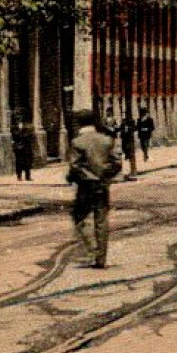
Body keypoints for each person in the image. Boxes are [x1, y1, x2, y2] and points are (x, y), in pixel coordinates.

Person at [67, 110, 123, 268]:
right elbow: (117, 163)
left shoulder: (77, 142)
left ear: (79, 124)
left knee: (79, 217)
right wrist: (105, 177)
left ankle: (92, 250)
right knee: (101, 220)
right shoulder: (106, 140)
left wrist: (86, 177)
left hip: (85, 187)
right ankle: (101, 258)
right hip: (102, 186)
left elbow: (75, 166)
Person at [118, 113, 139, 180]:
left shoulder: (131, 122)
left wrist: (129, 129)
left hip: (130, 141)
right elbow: (120, 131)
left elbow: (135, 128)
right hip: (124, 140)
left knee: (131, 154)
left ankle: (133, 170)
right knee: (125, 152)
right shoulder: (122, 124)